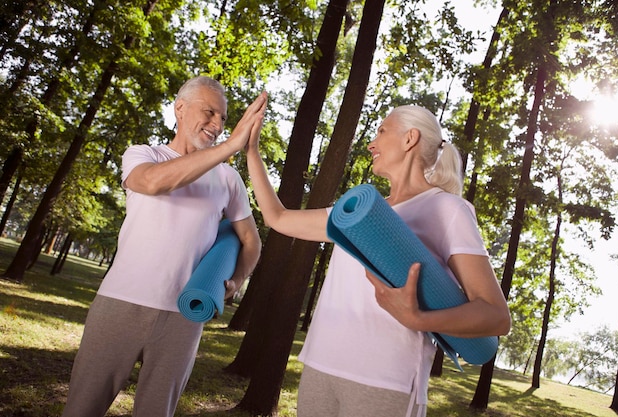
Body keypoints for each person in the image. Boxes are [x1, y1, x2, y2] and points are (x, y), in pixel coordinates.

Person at [245, 102, 511, 417]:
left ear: (410, 139)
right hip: (321, 365)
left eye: (382, 131)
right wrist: (250, 151)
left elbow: (496, 316)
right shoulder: (362, 213)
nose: (372, 143)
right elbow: (278, 218)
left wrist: (419, 320)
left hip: (385, 380)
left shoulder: (448, 209)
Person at [62, 76, 266, 417]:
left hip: (183, 316)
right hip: (120, 302)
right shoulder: (143, 154)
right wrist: (229, 147)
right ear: (180, 109)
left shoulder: (229, 180)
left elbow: (251, 241)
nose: (217, 124)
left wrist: (237, 279)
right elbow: (154, 182)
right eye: (209, 112)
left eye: (224, 119)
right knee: (82, 408)